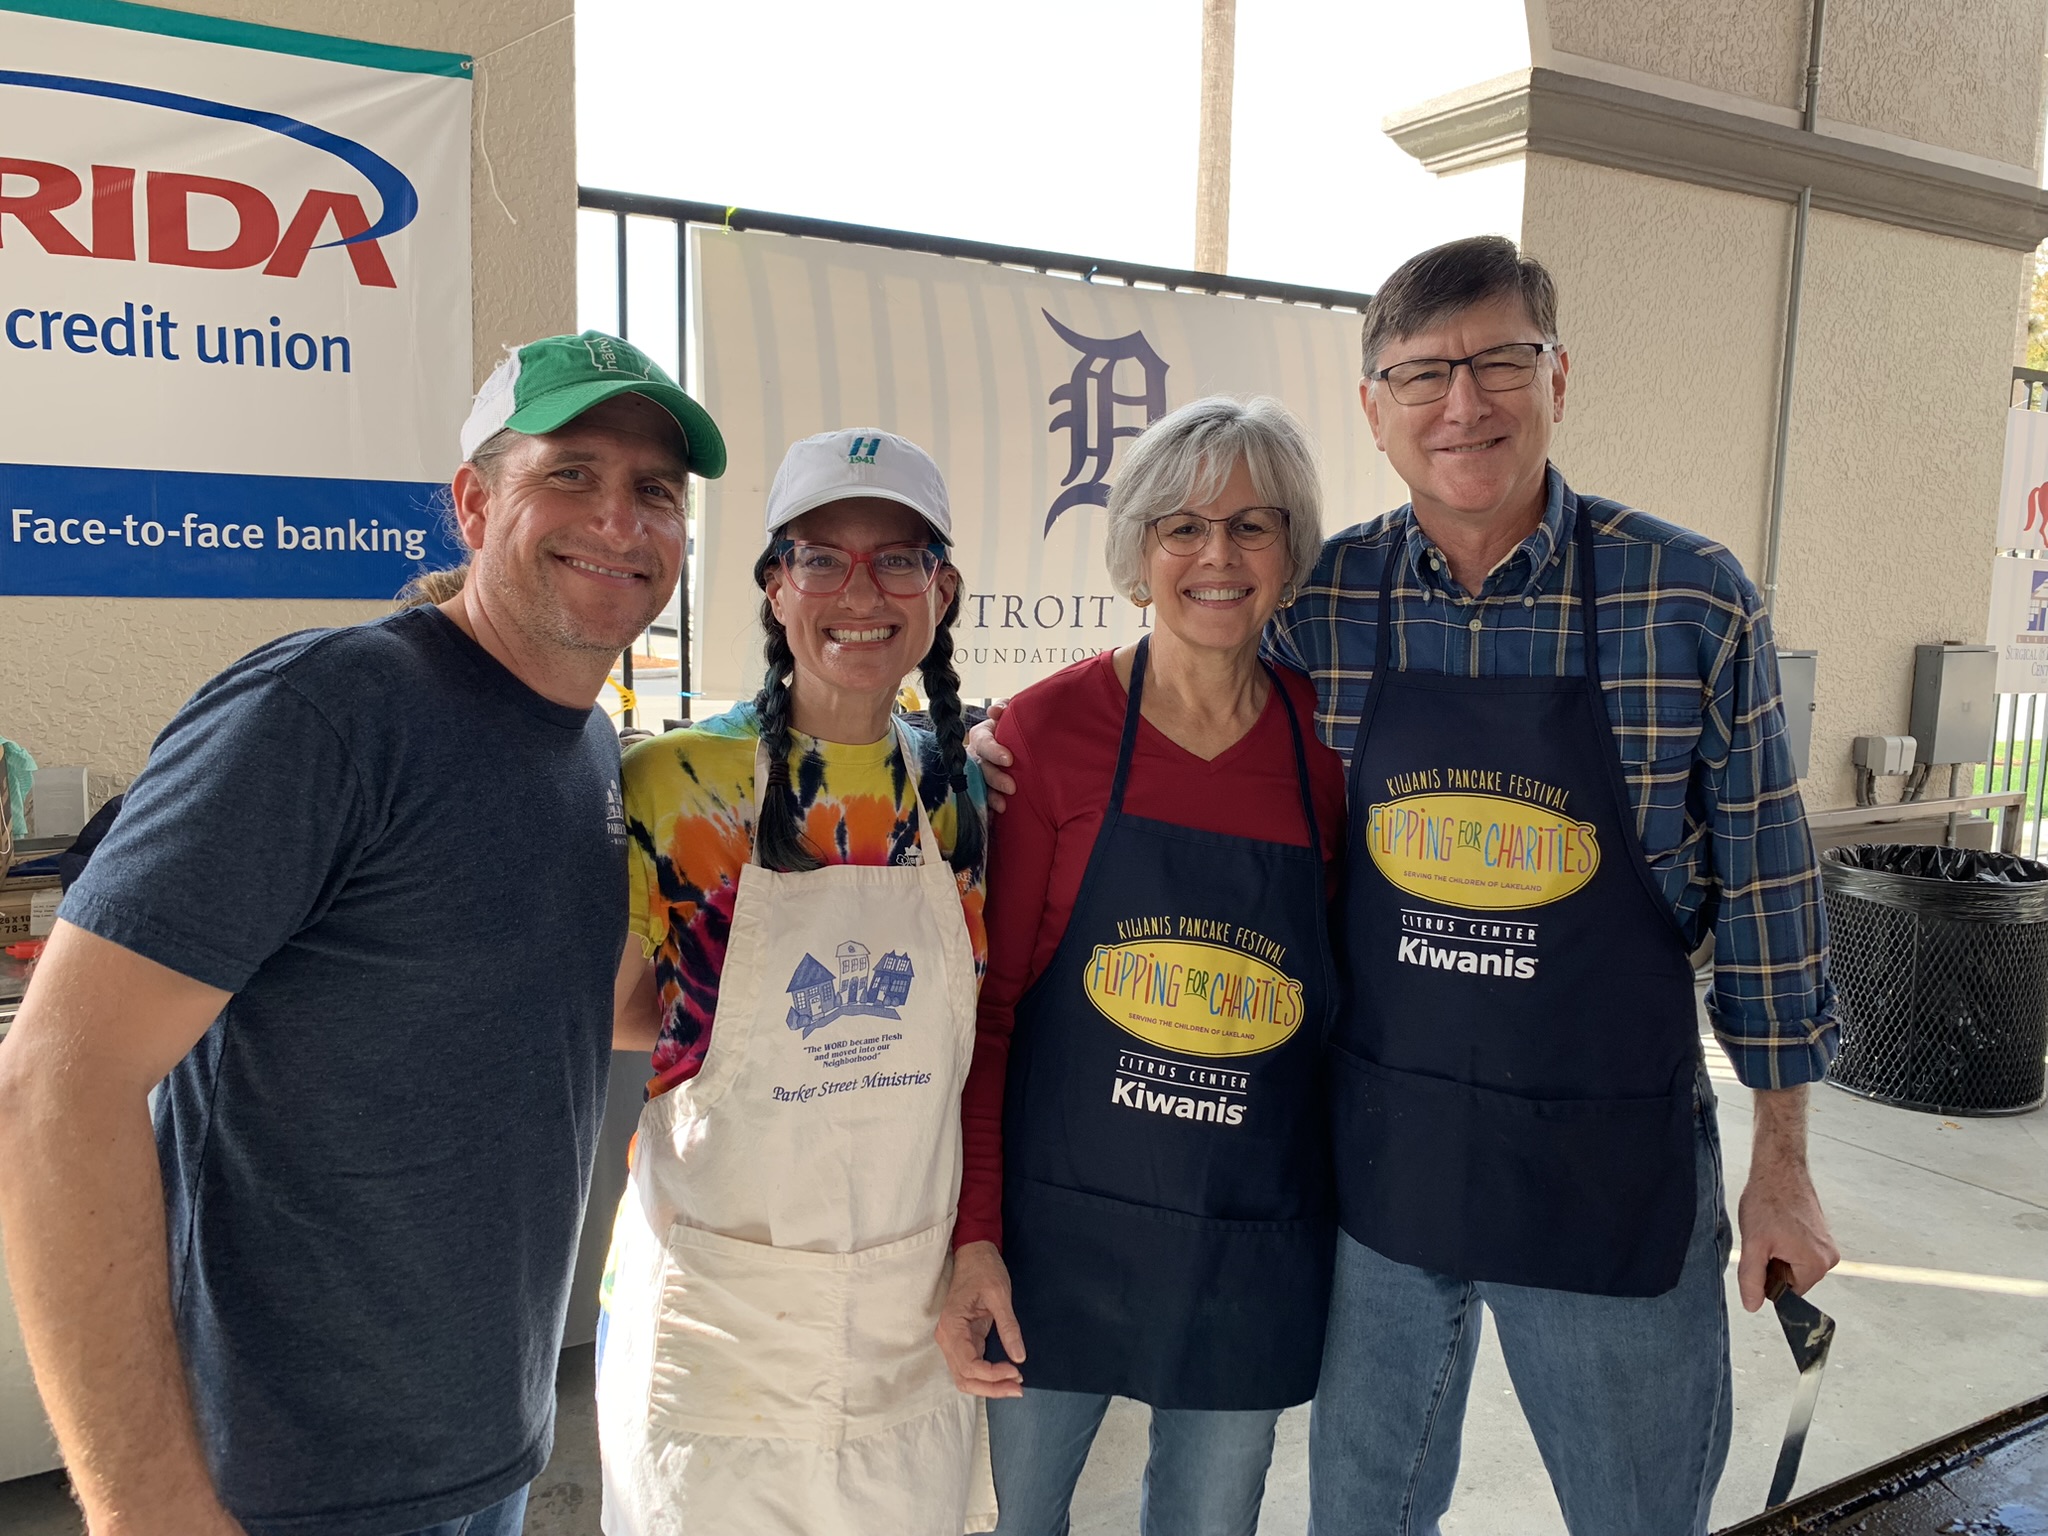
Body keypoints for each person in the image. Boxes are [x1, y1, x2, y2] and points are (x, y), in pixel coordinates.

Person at [973, 237, 1841, 1535]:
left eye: (1499, 362)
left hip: (1602, 1174)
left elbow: (1774, 900)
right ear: (1373, 409)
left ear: (1559, 376)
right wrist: (980, 743)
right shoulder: (1326, 602)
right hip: (1384, 1186)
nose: (1463, 404)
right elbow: (1180, 638)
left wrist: (1783, 1166)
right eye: (1422, 373)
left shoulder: (1688, 601)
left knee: (1641, 1515)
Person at [0, 331, 723, 1536]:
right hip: (277, 1485)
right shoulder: (327, 713)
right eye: (571, 474)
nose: (618, 518)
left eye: (654, 491)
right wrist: (150, 1510)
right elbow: (52, 1088)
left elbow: (561, 991)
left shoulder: (590, 752)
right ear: (473, 502)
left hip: (487, 1450)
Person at [935, 397, 1347, 1536]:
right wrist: (975, 1231)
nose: (1216, 556)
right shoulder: (1044, 734)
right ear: (1137, 551)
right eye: (1181, 527)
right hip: (1056, 1242)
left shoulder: (1327, 748)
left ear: (1288, 554)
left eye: (1252, 526)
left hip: (1247, 1235)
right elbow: (996, 1015)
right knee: (1016, 1518)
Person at [596, 427, 997, 1536]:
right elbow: (626, 1014)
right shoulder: (673, 784)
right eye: (822, 557)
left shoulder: (958, 789)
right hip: (720, 1317)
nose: (858, 591)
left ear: (941, 589)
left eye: (897, 559)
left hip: (901, 1320)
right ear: (775, 587)